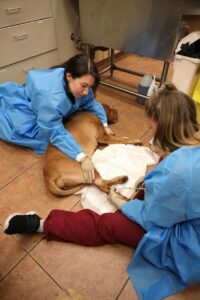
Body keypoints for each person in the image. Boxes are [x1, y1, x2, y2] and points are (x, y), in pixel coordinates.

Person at [3, 83, 200, 300]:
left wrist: (118, 200)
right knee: (144, 186)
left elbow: (152, 219)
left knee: (110, 224)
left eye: (151, 127)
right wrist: (152, 180)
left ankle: (41, 224)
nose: (150, 135)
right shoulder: (192, 142)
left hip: (188, 243)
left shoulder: (177, 173)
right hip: (183, 208)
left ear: (165, 127)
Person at [0, 53, 113, 184]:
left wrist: (104, 123)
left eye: (90, 86)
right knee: (44, 139)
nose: (87, 91)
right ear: (69, 76)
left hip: (47, 98)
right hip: (32, 108)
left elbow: (90, 102)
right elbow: (55, 131)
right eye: (83, 86)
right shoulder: (52, 100)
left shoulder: (79, 83)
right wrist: (80, 156)